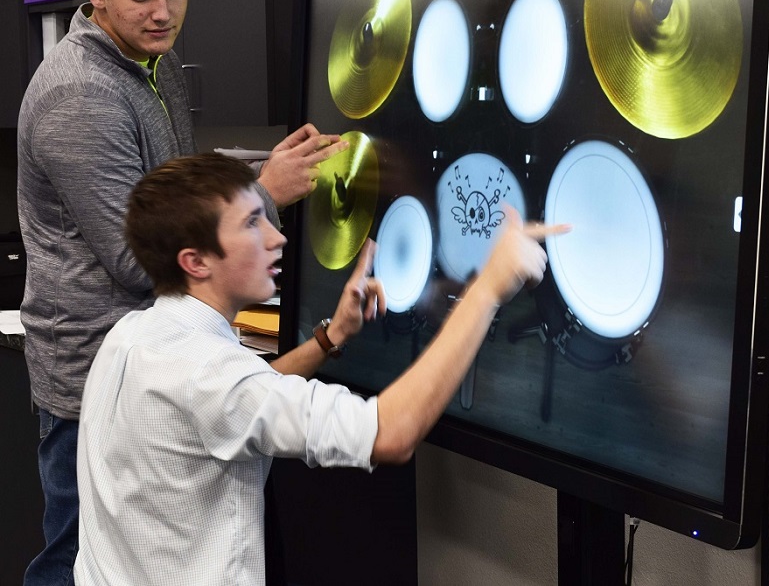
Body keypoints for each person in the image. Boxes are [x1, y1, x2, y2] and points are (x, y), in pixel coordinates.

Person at [16, 0, 345, 586]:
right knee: (81, 562)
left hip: (162, 358)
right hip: (98, 378)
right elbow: (142, 257)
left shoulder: (152, 63)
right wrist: (265, 192)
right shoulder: (82, 94)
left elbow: (175, 198)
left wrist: (247, 184)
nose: (162, 13)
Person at [72, 152, 569, 585]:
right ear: (195, 261)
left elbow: (247, 398)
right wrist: (487, 288)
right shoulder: (209, 374)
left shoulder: (130, 337)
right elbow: (389, 433)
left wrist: (331, 338)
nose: (277, 238)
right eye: (251, 223)